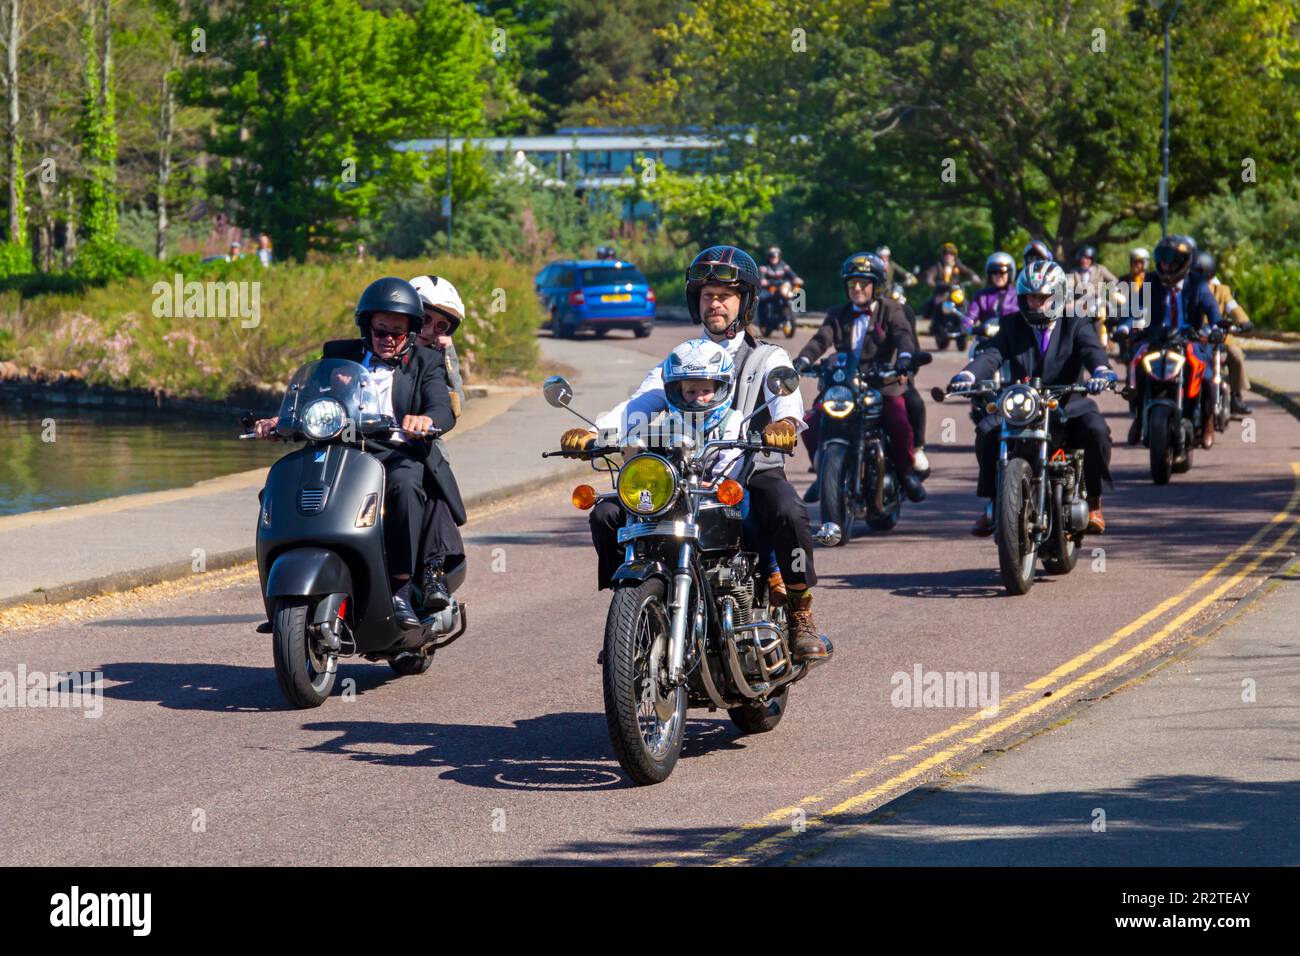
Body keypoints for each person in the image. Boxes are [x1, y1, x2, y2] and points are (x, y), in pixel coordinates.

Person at [559, 245, 831, 663]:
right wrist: (595, 431)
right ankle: (633, 617)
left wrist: (784, 426)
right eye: (707, 295)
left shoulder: (768, 356)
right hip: (682, 473)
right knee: (608, 513)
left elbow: (788, 404)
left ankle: (799, 608)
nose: (715, 302)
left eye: (724, 294)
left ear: (745, 301)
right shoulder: (680, 359)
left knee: (786, 507)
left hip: (747, 467)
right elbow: (640, 403)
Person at [252, 277, 459, 628]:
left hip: (395, 453)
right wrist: (280, 420)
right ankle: (285, 589)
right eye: (380, 329)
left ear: (410, 332)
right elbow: (308, 395)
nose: (388, 338)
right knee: (281, 488)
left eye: (397, 331)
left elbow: (444, 407)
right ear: (367, 327)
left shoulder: (427, 363)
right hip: (340, 450)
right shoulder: (338, 355)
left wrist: (425, 419)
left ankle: (401, 589)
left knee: (405, 488)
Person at [949, 259, 1117, 535]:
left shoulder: (1074, 322)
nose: (1036, 304)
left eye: (1043, 297)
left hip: (1067, 403)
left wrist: (1101, 371)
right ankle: (993, 504)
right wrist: (968, 376)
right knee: (987, 430)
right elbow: (991, 354)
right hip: (1022, 404)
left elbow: (1092, 350)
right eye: (1030, 297)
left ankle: (1094, 502)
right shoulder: (1012, 324)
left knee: (1097, 431)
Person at [794, 251, 927, 504]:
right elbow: (821, 339)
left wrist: (905, 357)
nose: (856, 288)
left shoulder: (892, 310)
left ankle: (905, 471)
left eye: (863, 283)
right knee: (811, 422)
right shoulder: (838, 313)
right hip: (844, 382)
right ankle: (824, 473)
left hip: (882, 382)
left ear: (877, 285)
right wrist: (803, 360)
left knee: (898, 421)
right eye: (851, 283)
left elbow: (903, 336)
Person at [1114, 235, 1228, 448]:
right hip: (1156, 338)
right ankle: (1139, 416)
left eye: (1171, 261)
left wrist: (1216, 327)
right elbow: (1134, 307)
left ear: (1184, 262)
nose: (1166, 266)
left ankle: (1207, 420)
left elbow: (1212, 308)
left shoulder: (1196, 282)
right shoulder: (1150, 280)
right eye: (1163, 261)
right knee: (1136, 366)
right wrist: (1123, 327)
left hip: (1189, 339)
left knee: (1207, 375)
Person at [408, 273, 472, 611]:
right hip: (363, 450)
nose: (430, 329)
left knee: (430, 483)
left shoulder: (435, 362)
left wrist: (449, 356)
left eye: (440, 325)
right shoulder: (378, 347)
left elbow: (453, 403)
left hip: (418, 450)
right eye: (423, 319)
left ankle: (432, 570)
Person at [1193, 251, 1254, 416]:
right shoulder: (1188, 288)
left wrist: (1243, 321)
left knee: (1236, 355)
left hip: (1220, 337)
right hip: (1195, 337)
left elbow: (1233, 307)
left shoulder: (1222, 290)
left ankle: (1235, 396)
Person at [922, 242, 979, 326]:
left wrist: (974, 277)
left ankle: (967, 323)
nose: (949, 256)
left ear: (955, 255)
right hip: (941, 292)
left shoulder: (957, 265)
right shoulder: (937, 266)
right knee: (937, 304)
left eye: (951, 254)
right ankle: (936, 325)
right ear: (942, 255)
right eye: (946, 254)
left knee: (965, 303)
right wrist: (931, 282)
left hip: (955, 291)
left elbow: (968, 271)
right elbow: (930, 276)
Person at [965, 252, 1019, 333]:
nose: (998, 275)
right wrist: (967, 326)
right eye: (994, 271)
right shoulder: (981, 296)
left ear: (1010, 273)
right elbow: (971, 316)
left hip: (1012, 342)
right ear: (990, 274)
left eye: (1002, 272)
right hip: (986, 341)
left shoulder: (1019, 296)